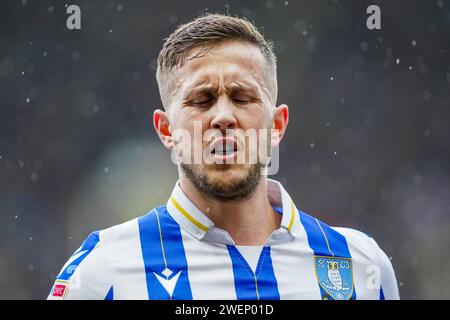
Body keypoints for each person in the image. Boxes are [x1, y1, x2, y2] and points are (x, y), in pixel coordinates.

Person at [48, 13, 399, 300]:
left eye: (242, 96)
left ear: (277, 124)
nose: (223, 117)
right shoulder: (103, 270)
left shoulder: (360, 265)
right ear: (166, 130)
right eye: (201, 99)